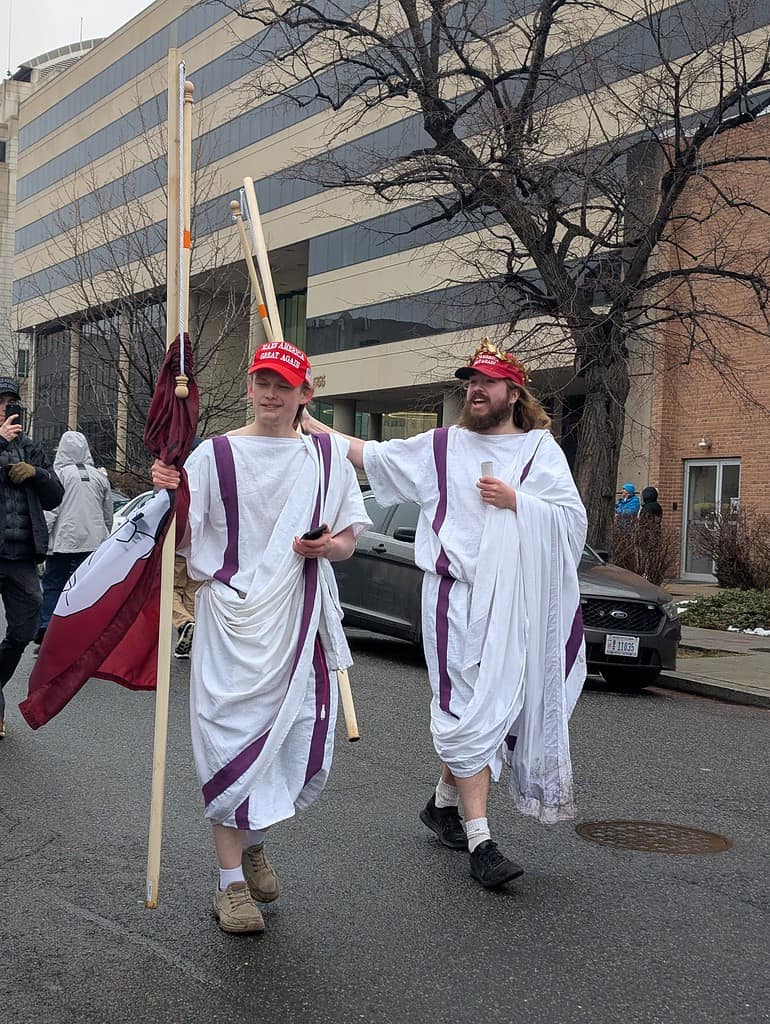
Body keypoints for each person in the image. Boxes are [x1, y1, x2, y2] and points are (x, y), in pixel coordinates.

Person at [304, 340, 587, 890]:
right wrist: (307, 418)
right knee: (463, 711)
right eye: (470, 383)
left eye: (487, 382)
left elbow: (572, 526)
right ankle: (481, 840)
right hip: (452, 600)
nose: (475, 390)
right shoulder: (441, 447)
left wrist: (518, 503)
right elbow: (367, 453)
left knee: (497, 712)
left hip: (514, 606)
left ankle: (441, 805)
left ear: (513, 392)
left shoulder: (540, 451)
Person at [151, 341, 369, 934]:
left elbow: (348, 538)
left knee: (288, 740)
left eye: (284, 385)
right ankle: (230, 886)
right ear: (250, 387)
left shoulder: (324, 458)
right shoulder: (213, 456)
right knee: (226, 743)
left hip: (296, 621)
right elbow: (182, 537)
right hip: (230, 622)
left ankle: (253, 840)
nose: (271, 394)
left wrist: (328, 547)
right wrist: (167, 486)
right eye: (262, 382)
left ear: (306, 394)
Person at [0, 378, 64, 738]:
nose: (9, 407)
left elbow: (55, 496)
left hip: (23, 555)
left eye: (13, 402)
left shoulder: (31, 448)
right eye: (2, 402)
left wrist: (36, 473)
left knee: (23, 632)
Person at [36, 431, 113, 644]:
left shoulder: (58, 476)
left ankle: (47, 626)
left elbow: (50, 511)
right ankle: (86, 629)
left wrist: (42, 540)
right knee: (87, 587)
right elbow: (107, 514)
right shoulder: (99, 477)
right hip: (93, 542)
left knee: (54, 584)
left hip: (63, 541)